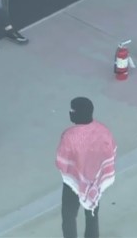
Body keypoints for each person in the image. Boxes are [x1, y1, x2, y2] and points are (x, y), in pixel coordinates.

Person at [55, 97, 117, 238]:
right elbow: (110, 153)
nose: (70, 113)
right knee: (92, 215)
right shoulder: (103, 131)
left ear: (77, 113)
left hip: (73, 183)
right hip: (95, 182)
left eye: (72, 110)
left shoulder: (69, 136)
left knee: (69, 217)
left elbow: (61, 163)